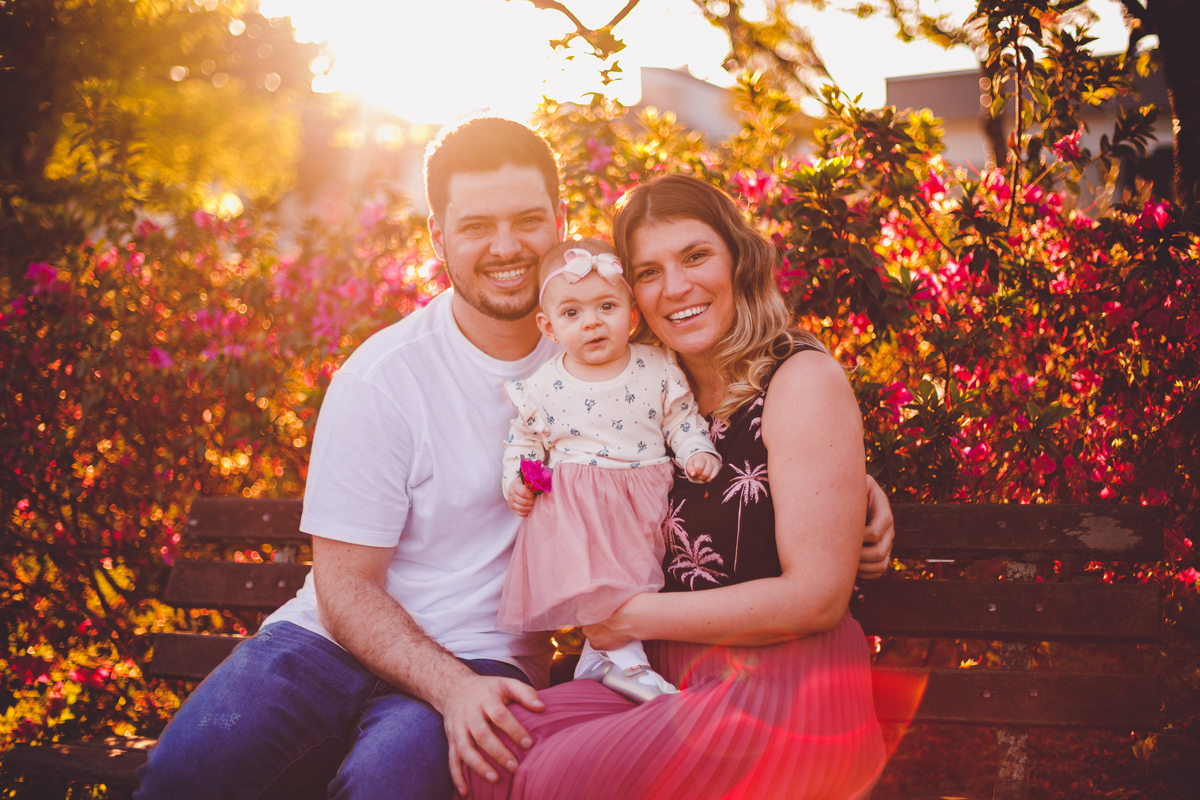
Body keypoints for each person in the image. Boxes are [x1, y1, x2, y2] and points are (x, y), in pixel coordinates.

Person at [135, 118, 895, 800]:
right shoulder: (385, 375)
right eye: (477, 226)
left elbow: (747, 416)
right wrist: (448, 688)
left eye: (528, 220)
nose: (506, 246)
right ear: (437, 236)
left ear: (561, 225)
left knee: (394, 786)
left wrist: (849, 484)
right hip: (331, 644)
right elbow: (341, 582)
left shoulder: (620, 351)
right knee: (182, 778)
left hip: (495, 656)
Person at [467, 173, 887, 800]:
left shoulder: (799, 379)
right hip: (660, 675)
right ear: (629, 292)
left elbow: (817, 599)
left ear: (738, 259)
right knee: (492, 750)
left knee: (556, 778)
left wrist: (626, 615)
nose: (677, 287)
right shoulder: (641, 387)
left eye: (695, 256)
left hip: (782, 686)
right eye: (649, 271)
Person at [499, 238, 720, 702]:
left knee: (635, 576)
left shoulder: (656, 366)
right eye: (572, 313)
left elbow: (680, 417)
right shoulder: (543, 384)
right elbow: (525, 442)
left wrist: (696, 449)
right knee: (601, 577)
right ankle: (631, 665)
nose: (593, 322)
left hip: (642, 492)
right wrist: (518, 480)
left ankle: (599, 660)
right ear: (549, 326)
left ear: (632, 314)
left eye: (606, 306)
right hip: (575, 501)